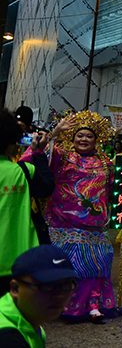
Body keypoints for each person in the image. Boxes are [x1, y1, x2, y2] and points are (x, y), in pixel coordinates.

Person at [19, 112, 117, 321]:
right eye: (79, 135)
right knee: (65, 267)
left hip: (94, 225)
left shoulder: (106, 163)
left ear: (96, 140)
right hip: (63, 223)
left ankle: (93, 305)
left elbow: (111, 190)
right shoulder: (63, 156)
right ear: (72, 138)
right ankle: (62, 306)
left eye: (89, 136)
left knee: (96, 266)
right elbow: (36, 157)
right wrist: (55, 133)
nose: (84, 139)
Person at [1, 110, 54, 295]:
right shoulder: (24, 172)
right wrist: (38, 153)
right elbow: (47, 187)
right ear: (11, 142)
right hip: (20, 260)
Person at [0, 245, 78, 347]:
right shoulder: (7, 338)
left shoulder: (32, 322)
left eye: (66, 284)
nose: (59, 295)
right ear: (15, 288)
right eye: (47, 286)